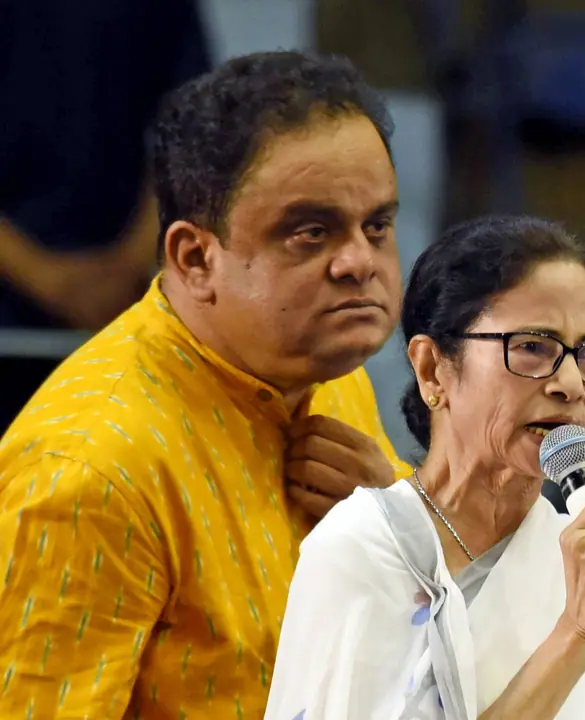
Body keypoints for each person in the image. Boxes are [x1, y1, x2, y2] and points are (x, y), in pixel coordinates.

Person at [0, 51, 413, 718]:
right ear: (195, 258)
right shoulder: (90, 473)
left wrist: (402, 523)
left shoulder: (326, 368)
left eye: (377, 226)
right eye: (311, 233)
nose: (359, 263)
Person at [264, 215, 585, 719]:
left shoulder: (581, 559)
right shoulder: (361, 550)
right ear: (432, 368)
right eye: (532, 347)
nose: (571, 385)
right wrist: (578, 632)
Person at [0, 0, 211, 430]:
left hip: (125, 307)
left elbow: (198, 131)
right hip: (98, 301)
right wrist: (55, 278)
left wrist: (131, 263)